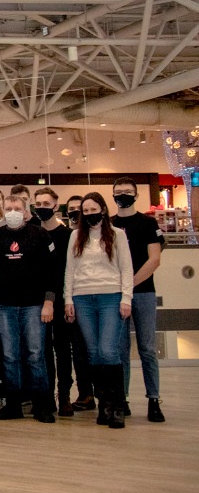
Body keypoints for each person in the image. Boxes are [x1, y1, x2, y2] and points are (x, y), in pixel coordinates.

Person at [64, 192, 134, 429]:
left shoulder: (117, 235)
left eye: (93, 210)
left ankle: (118, 405)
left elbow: (126, 268)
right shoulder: (75, 236)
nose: (89, 214)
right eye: (85, 211)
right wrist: (68, 299)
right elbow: (70, 270)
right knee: (93, 353)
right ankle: (104, 404)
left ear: (103, 210)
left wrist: (126, 298)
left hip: (111, 296)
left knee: (108, 350)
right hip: (82, 297)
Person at [0, 194, 58, 423]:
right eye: (8, 208)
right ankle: (13, 405)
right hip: (4, 305)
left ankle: (41, 405)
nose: (12, 212)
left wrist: (49, 301)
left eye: (17, 208)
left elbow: (52, 271)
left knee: (35, 354)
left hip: (34, 305)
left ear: (26, 211)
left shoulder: (40, 234)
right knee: (9, 356)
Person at [33, 186, 94, 416]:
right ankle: (47, 395)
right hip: (37, 301)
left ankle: (65, 394)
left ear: (55, 206)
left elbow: (73, 270)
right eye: (38, 204)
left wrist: (69, 300)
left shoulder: (68, 236)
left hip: (62, 299)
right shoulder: (32, 233)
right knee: (43, 351)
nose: (42, 208)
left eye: (46, 204)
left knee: (63, 349)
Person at [110, 177, 165, 422]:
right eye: (118, 191)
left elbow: (154, 259)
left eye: (127, 191)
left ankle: (154, 399)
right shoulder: (109, 224)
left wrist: (130, 284)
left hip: (143, 292)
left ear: (136, 194)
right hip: (116, 295)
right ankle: (122, 399)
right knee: (120, 350)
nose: (123, 195)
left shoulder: (147, 223)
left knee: (147, 349)